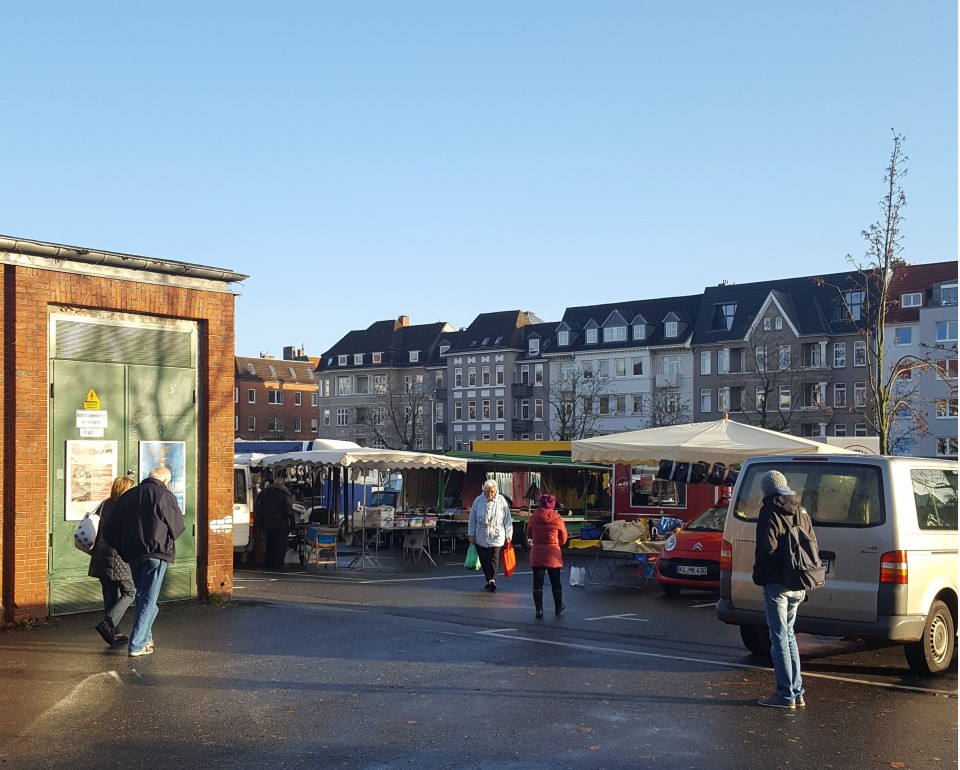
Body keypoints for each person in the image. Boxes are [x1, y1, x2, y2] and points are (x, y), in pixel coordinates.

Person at [752, 469, 817, 709]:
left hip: (777, 583)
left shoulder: (770, 512)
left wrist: (759, 577)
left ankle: (785, 695)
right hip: (798, 581)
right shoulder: (801, 510)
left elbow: (765, 551)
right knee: (789, 636)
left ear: (767, 490)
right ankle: (796, 692)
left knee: (779, 638)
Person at [115, 466, 185, 657]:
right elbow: (177, 526)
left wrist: (123, 547)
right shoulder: (164, 495)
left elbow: (112, 526)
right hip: (156, 553)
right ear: (165, 481)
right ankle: (137, 644)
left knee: (142, 596)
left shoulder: (128, 496)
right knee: (148, 598)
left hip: (133, 553)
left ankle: (145, 638)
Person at [88, 475, 136, 645]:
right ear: (126, 489)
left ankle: (113, 633)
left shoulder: (105, 504)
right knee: (130, 592)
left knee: (109, 595)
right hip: (117, 557)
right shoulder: (126, 507)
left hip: (100, 556)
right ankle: (108, 624)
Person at [526, 493, 568, 618]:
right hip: (553, 554)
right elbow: (564, 538)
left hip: (537, 552)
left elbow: (529, 534)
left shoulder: (534, 517)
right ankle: (558, 606)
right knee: (556, 582)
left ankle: (539, 609)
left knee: (537, 584)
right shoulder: (557, 518)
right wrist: (556, 544)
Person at [467, 479, 513, 592]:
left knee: (493, 558)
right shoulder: (478, 500)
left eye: (492, 491)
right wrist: (471, 534)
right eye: (487, 491)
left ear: (496, 490)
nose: (490, 494)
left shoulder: (502, 501)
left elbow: (507, 519)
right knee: (483, 559)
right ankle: (488, 579)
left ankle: (492, 580)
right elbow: (472, 518)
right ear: (484, 490)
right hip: (481, 535)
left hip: (497, 534)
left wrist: (509, 533)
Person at [256, 480, 295, 570]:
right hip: (281, 524)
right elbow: (289, 511)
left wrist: (261, 521)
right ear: (282, 485)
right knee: (280, 545)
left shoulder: (264, 493)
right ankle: (278, 563)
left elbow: (258, 508)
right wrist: (292, 524)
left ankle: (269, 563)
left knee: (270, 544)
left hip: (267, 523)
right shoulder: (284, 494)